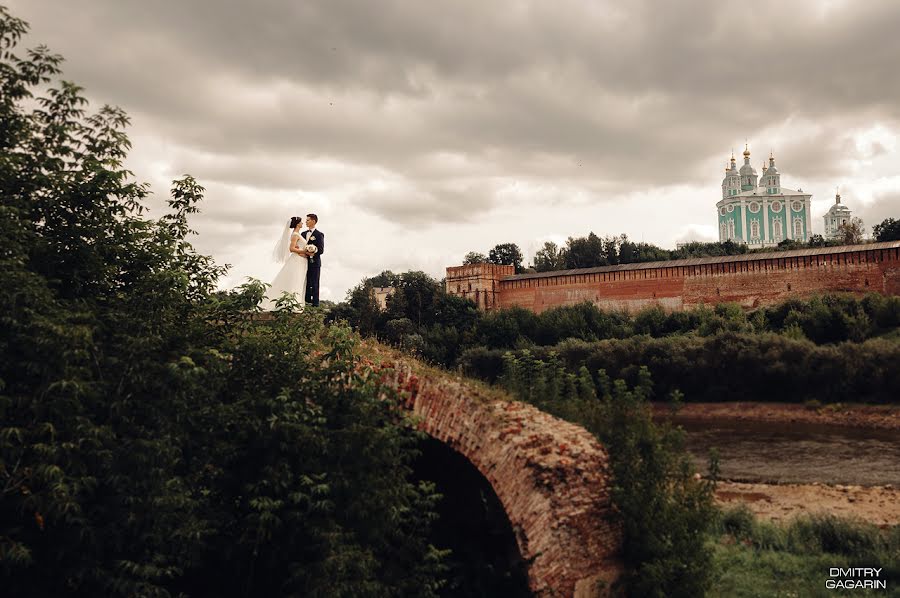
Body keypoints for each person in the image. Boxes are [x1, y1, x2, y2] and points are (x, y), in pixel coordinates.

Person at [262, 216, 308, 310]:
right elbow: (291, 249)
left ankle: (297, 304)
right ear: (297, 224)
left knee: (299, 281)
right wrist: (305, 252)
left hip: (302, 260)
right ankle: (292, 304)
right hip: (297, 260)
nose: (302, 223)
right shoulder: (295, 234)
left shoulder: (298, 234)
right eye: (301, 222)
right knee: (295, 280)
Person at [301, 213, 324, 307]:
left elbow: (321, 250)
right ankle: (305, 301)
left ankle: (315, 303)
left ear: (313, 221)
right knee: (305, 282)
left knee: (315, 282)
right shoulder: (303, 234)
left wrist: (312, 252)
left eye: (308, 220)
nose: (306, 222)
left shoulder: (319, 234)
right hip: (303, 262)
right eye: (306, 220)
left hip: (315, 263)